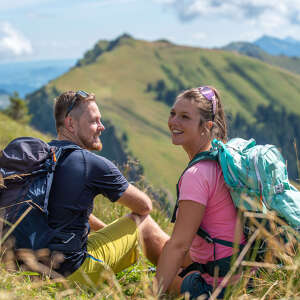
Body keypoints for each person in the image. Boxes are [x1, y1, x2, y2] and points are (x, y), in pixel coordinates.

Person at [46, 90, 169, 286]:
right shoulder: (91, 163)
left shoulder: (43, 157)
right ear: (70, 123)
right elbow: (144, 206)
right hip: (70, 275)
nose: (101, 127)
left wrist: (107, 232)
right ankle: (179, 278)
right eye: (94, 121)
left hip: (26, 269)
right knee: (142, 222)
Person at [155, 86, 245, 299]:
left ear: (207, 126)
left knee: (188, 281)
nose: (174, 122)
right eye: (173, 113)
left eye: (185, 117)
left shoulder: (197, 174)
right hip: (246, 275)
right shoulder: (224, 159)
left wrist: (149, 295)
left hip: (223, 288)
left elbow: (178, 245)